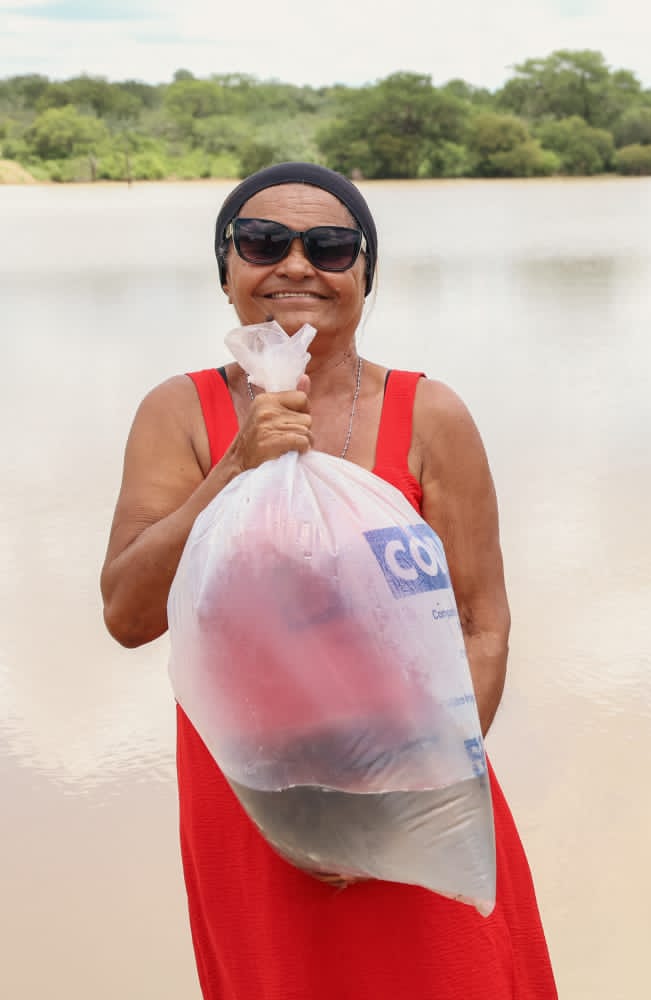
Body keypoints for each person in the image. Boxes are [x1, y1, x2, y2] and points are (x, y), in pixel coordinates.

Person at [99, 162, 557, 1000]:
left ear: (365, 275)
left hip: (419, 804)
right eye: (264, 242)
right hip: (255, 804)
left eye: (333, 246)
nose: (298, 266)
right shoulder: (180, 413)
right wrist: (236, 465)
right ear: (228, 270)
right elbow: (129, 614)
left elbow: (482, 624)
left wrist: (405, 799)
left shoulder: (431, 414)